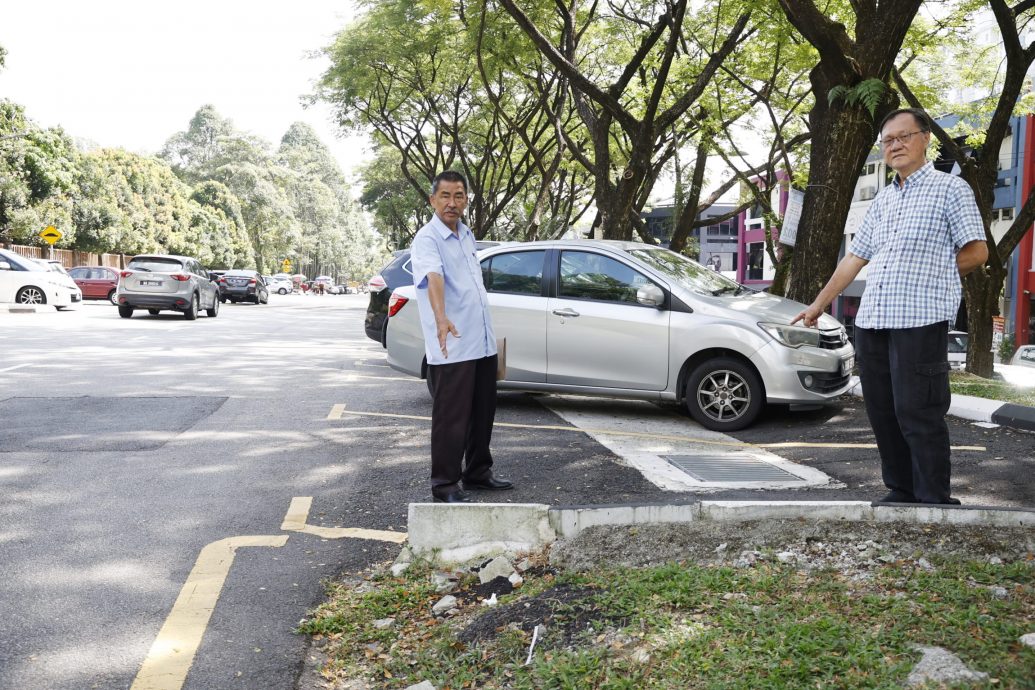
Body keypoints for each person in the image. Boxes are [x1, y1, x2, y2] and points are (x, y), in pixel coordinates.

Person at [791, 107, 988, 506]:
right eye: (888, 140)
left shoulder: (951, 190)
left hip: (920, 318)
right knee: (883, 412)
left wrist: (934, 276)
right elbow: (854, 258)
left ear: (925, 138)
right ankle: (901, 490)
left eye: (903, 136)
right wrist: (817, 304)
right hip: (874, 319)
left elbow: (977, 251)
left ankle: (933, 499)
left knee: (918, 411)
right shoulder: (883, 198)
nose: (895, 145)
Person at [409, 170, 513, 503]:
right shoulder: (428, 239)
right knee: (451, 418)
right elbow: (433, 277)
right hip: (452, 343)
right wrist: (441, 318)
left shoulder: (466, 234)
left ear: (466, 200)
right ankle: (444, 484)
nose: (452, 203)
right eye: (445, 196)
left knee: (483, 411)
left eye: (459, 196)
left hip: (481, 340)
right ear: (432, 200)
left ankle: (478, 472)